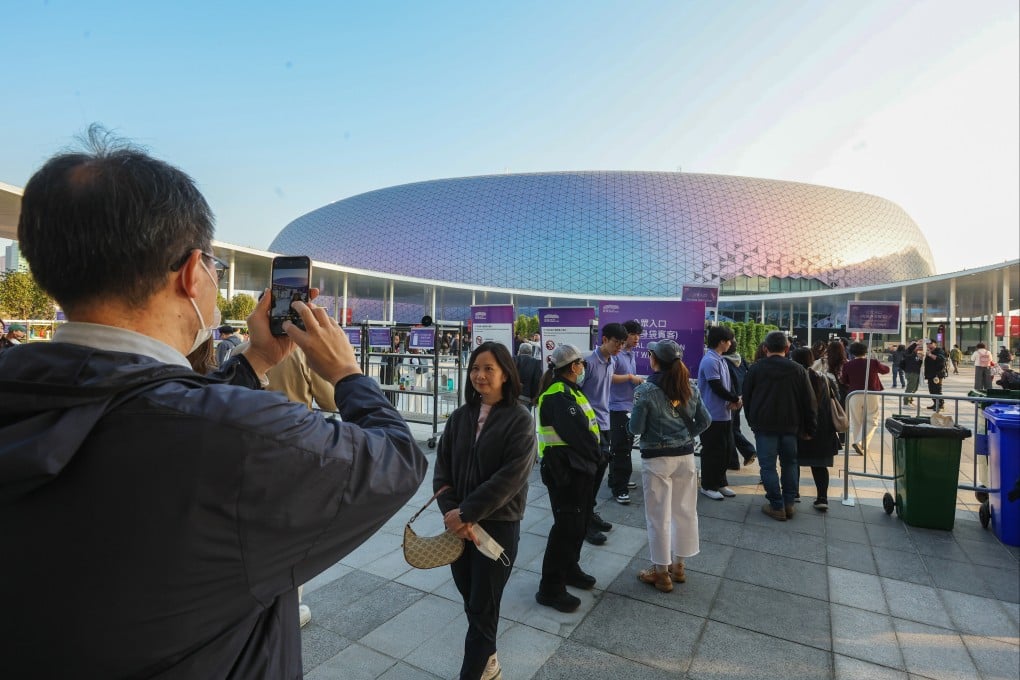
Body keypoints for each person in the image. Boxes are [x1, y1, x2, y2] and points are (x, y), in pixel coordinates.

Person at [0, 128, 428, 678]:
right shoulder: (245, 440)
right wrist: (345, 371)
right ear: (189, 273)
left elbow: (147, 405)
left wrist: (253, 361)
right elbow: (395, 459)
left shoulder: (26, 394)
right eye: (213, 268)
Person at [434, 342, 534, 680]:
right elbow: (442, 469)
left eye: (488, 368)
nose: (480, 375)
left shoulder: (520, 420)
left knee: (483, 606)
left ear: (506, 374)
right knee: (472, 601)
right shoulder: (461, 417)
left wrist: (467, 513)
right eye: (476, 368)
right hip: (458, 527)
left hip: (497, 526)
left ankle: (474, 673)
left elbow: (510, 478)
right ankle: (489, 661)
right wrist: (453, 512)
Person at [629, 339, 710, 592]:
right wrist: (686, 436)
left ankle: (661, 574)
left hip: (656, 459)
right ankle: (679, 566)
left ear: (653, 359)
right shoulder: (690, 387)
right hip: (685, 457)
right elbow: (705, 421)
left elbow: (636, 428)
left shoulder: (645, 391)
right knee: (685, 512)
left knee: (658, 516)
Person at [534, 344, 602, 613]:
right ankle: (550, 588)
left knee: (578, 524)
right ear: (573, 367)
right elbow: (579, 436)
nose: (583, 368)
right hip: (565, 471)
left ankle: (570, 570)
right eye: (581, 364)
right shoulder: (558, 395)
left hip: (578, 470)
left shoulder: (571, 391)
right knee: (566, 528)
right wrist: (598, 455)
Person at [743, 331, 818, 521]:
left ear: (765, 348)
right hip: (791, 426)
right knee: (790, 464)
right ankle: (789, 504)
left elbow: (747, 397)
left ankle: (776, 505)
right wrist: (810, 428)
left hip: (764, 426)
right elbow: (809, 402)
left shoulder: (755, 369)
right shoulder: (798, 369)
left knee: (767, 466)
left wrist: (752, 421)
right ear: (787, 348)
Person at [579, 322, 628, 544]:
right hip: (589, 426)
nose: (619, 347)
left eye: (622, 344)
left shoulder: (612, 361)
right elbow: (574, 393)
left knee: (599, 471)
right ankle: (583, 523)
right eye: (616, 343)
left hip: (605, 422)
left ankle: (589, 512)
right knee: (588, 474)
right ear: (605, 339)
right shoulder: (587, 363)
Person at [790, 348, 840, 511]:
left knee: (792, 462)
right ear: (812, 361)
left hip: (798, 428)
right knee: (819, 465)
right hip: (822, 429)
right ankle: (822, 498)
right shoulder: (824, 379)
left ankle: (794, 493)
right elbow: (836, 399)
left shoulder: (793, 379)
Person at [696, 325, 741, 500]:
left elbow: (726, 387)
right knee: (712, 451)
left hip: (724, 414)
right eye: (729, 340)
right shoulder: (710, 360)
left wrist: (733, 399)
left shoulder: (720, 359)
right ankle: (707, 485)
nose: (731, 343)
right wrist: (735, 399)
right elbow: (716, 387)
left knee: (725, 450)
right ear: (722, 342)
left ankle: (720, 483)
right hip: (711, 415)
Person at [607, 320, 645, 504]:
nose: (637, 338)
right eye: (633, 334)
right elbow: (609, 377)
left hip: (629, 406)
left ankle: (615, 479)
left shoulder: (630, 354)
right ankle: (619, 489)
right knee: (621, 449)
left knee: (624, 447)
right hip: (617, 407)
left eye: (639, 334)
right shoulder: (615, 354)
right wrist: (630, 377)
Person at [840, 341, 890, 454]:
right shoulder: (872, 362)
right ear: (865, 351)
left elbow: (844, 380)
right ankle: (860, 443)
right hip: (871, 393)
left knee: (857, 421)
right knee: (872, 420)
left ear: (852, 353)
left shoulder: (847, 365)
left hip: (854, 394)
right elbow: (886, 370)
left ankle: (861, 445)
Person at [723, 341, 756, 467]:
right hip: (740, 398)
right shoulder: (740, 359)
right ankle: (744, 455)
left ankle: (738, 458)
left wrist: (732, 398)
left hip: (731, 399)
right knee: (734, 428)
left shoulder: (723, 362)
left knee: (729, 430)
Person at [513, 341, 543, 410]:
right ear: (531, 352)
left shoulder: (513, 360)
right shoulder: (537, 363)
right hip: (526, 398)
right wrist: (534, 397)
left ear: (519, 351)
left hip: (512, 396)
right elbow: (537, 380)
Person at [923, 340, 947, 411]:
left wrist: (930, 355)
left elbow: (941, 359)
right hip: (930, 374)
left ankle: (940, 404)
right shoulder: (929, 352)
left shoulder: (939, 351)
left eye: (930, 344)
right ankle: (935, 403)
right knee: (932, 390)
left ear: (935, 344)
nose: (929, 345)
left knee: (937, 389)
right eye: (927, 344)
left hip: (937, 374)